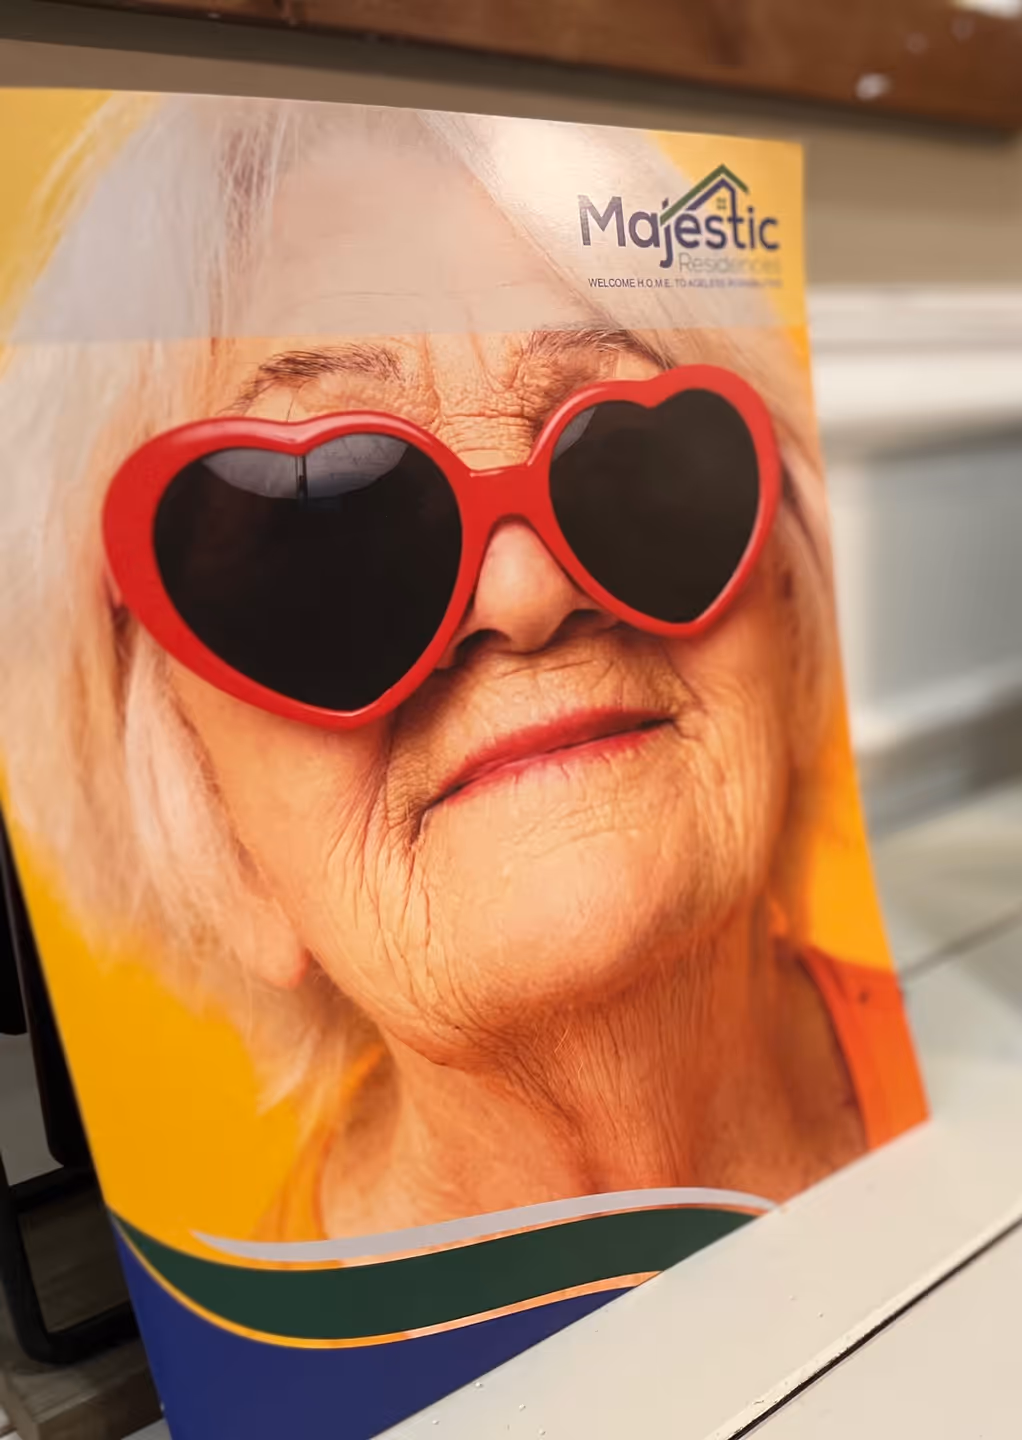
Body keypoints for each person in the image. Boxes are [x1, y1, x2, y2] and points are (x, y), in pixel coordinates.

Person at [0, 97, 921, 1244]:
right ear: (206, 818)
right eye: (323, 530)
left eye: (625, 454)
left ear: (789, 611)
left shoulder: (1010, 1070)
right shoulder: (275, 1381)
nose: (527, 596)